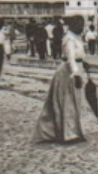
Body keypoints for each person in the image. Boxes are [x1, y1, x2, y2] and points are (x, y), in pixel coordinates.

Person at [33, 15, 88, 143]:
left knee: (75, 102)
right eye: (79, 25)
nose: (81, 27)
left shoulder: (76, 38)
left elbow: (78, 55)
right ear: (73, 25)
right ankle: (68, 134)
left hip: (77, 69)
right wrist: (76, 73)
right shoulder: (69, 38)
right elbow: (70, 57)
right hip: (68, 72)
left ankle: (75, 131)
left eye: (82, 25)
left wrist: (83, 64)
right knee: (68, 103)